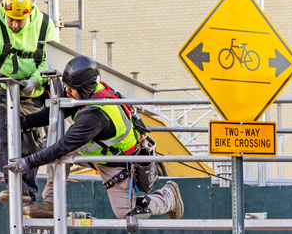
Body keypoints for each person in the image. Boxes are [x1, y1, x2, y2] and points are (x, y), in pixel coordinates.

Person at [11, 55, 184, 220]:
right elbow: (57, 112)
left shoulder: (94, 116)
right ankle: (51, 203)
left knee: (126, 213)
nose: (67, 91)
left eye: (71, 88)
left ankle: (168, 196)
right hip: (99, 149)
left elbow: (63, 146)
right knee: (58, 153)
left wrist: (26, 163)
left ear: (86, 88)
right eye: (66, 85)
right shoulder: (88, 91)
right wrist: (25, 121)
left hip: (118, 161)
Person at [0, 0, 60, 204]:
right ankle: (15, 187)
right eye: (10, 18)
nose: (13, 24)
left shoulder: (44, 25)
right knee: (3, 131)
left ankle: (28, 192)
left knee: (30, 141)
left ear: (29, 13)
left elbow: (49, 59)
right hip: (2, 92)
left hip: (33, 94)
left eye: (18, 20)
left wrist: (36, 79)